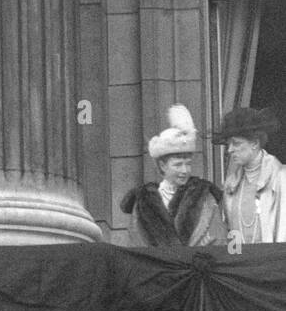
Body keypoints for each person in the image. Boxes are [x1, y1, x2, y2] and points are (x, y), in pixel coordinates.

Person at [120, 105, 227, 247]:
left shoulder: (205, 197)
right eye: (178, 165)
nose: (185, 170)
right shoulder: (142, 202)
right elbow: (136, 246)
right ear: (163, 166)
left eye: (188, 164)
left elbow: (218, 241)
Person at [212, 107, 286, 244]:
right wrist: (234, 262)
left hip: (275, 262)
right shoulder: (230, 184)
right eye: (228, 144)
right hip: (244, 263)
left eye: (236, 143)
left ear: (255, 143)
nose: (230, 150)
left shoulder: (281, 178)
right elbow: (232, 234)